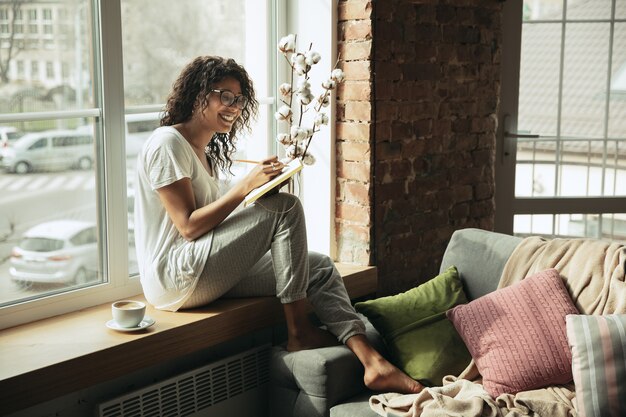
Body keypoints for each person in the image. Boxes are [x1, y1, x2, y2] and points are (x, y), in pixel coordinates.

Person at [134, 55, 423, 394]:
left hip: (201, 268)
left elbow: (214, 222)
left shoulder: (204, 153)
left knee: (318, 266)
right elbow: (188, 226)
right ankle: (298, 333)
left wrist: (261, 185)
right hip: (175, 277)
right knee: (285, 208)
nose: (235, 106)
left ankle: (372, 362)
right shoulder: (167, 143)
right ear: (199, 94)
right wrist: (245, 188)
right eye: (225, 96)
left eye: (239, 99)